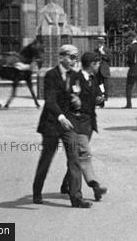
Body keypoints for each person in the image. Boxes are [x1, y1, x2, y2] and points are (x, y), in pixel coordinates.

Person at [32, 43, 92, 208]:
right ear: (62, 57)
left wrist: (78, 102)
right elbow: (49, 100)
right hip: (52, 122)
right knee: (46, 158)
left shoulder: (75, 76)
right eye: (71, 57)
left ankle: (76, 198)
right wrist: (60, 116)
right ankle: (37, 191)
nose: (74, 61)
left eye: (76, 58)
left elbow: (78, 97)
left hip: (68, 124)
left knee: (74, 159)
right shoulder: (51, 75)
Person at [60, 52, 108, 202]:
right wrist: (73, 100)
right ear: (92, 64)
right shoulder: (75, 78)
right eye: (98, 63)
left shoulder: (93, 79)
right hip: (76, 123)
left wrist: (100, 99)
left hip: (89, 123)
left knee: (76, 155)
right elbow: (65, 96)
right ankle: (95, 186)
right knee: (84, 154)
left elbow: (99, 97)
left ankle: (66, 184)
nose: (99, 66)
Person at [3, 36, 43, 109]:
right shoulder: (31, 47)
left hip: (27, 66)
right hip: (21, 66)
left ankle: (35, 102)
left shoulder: (33, 48)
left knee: (29, 85)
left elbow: (36, 56)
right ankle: (9, 101)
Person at [94, 36, 111, 100]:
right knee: (97, 83)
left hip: (104, 69)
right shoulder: (95, 50)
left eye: (100, 43)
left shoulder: (107, 50)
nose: (98, 44)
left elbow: (109, 58)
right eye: (98, 43)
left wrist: (103, 53)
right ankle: (99, 95)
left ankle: (106, 96)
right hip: (97, 69)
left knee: (106, 84)